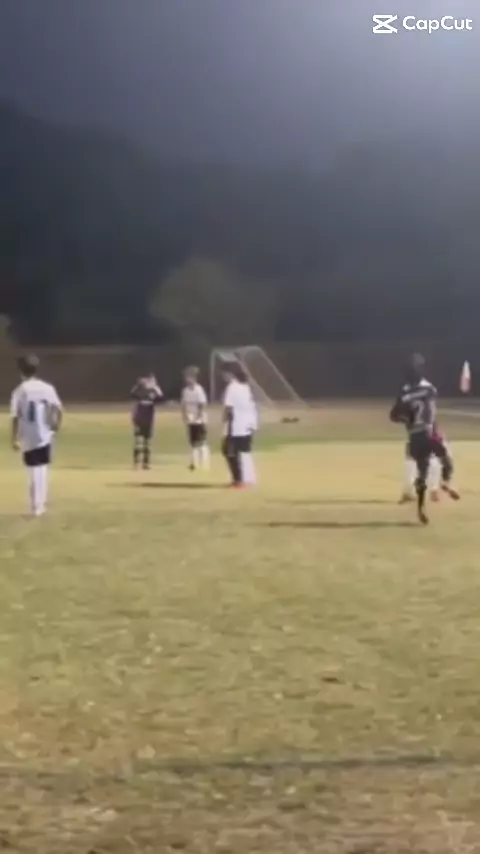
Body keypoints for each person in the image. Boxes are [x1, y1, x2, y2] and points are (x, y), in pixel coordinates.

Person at [390, 353, 459, 524]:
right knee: (446, 459)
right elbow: (431, 412)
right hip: (429, 433)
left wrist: (407, 419)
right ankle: (445, 482)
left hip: (415, 437)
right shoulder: (429, 389)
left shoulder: (404, 392)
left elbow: (393, 415)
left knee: (422, 472)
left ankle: (421, 508)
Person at [10, 354, 62, 518]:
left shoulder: (20, 390)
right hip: (44, 434)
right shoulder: (46, 387)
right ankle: (41, 504)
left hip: (28, 436)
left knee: (32, 470)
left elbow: (15, 416)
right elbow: (57, 408)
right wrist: (55, 426)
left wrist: (14, 438)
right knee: (43, 469)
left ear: (21, 371)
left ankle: (35, 506)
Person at [222, 363, 258, 488]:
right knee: (245, 452)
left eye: (224, 373)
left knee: (230, 451)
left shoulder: (231, 387)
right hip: (248, 424)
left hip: (236, 425)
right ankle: (249, 478)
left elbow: (228, 407)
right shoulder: (245, 386)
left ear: (230, 374)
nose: (223, 377)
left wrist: (224, 420)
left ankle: (238, 480)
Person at [130, 372, 163, 470]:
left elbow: (161, 397)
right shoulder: (140, 390)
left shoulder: (153, 392)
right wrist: (138, 384)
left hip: (149, 419)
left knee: (147, 442)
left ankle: (146, 463)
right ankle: (136, 462)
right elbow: (132, 394)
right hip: (139, 418)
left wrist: (156, 387)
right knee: (138, 441)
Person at [180, 366, 210, 470]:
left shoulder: (199, 390)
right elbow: (183, 404)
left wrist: (199, 416)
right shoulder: (185, 391)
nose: (187, 379)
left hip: (199, 420)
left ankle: (204, 463)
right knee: (193, 442)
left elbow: (202, 404)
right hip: (191, 419)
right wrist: (184, 415)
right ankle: (194, 463)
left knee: (202, 441)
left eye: (189, 377)